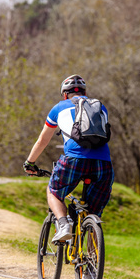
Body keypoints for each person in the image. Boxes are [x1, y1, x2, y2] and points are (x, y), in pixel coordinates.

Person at [23, 74, 114, 242]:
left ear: (65, 94)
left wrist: (30, 163)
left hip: (74, 159)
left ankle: (64, 224)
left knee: (54, 191)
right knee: (93, 215)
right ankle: (92, 261)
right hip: (103, 164)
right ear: (85, 92)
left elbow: (42, 140)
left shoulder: (58, 108)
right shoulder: (101, 107)